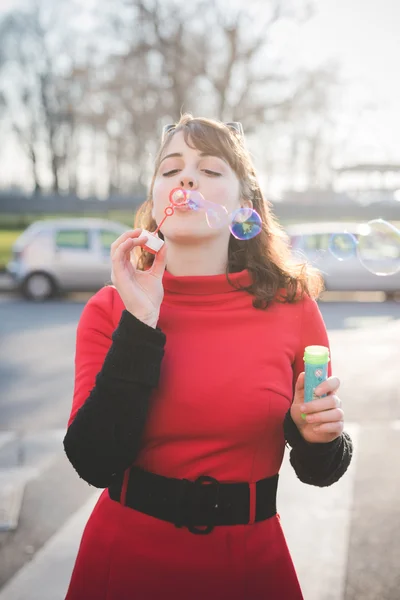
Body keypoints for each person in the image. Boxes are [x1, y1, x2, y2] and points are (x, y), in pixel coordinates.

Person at [63, 114, 353, 600]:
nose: (187, 178)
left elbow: (321, 468)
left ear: (245, 204)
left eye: (211, 170)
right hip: (125, 566)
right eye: (171, 169)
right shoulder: (110, 308)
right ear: (156, 201)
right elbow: (94, 461)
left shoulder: (292, 305)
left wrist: (319, 437)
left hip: (249, 569)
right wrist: (140, 319)